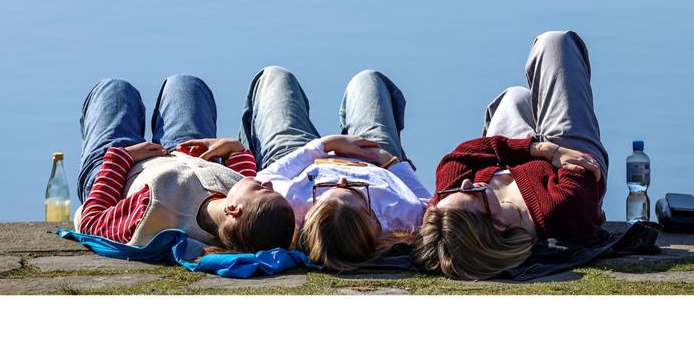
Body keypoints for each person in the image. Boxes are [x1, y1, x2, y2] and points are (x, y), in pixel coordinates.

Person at [412, 30, 609, 280]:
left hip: (532, 153)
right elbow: (581, 169)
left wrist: (539, 149)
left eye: (450, 193)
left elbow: (457, 157)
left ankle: (536, 131)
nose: (465, 183)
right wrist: (557, 148)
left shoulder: (449, 210)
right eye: (472, 194)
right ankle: (542, 122)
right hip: (573, 151)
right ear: (497, 225)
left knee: (513, 97)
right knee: (555, 44)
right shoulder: (558, 209)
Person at [239, 66, 431, 271]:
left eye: (325, 192)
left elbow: (261, 179)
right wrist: (392, 162)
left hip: (300, 158)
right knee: (368, 80)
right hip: (375, 157)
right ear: (373, 220)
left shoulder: (291, 209)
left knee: (274, 76)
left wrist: (326, 145)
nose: (342, 181)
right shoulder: (402, 218)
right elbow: (429, 203)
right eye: (355, 191)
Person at [76, 75, 294, 252]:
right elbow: (241, 178)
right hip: (183, 155)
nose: (269, 184)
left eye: (261, 189)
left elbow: (91, 222)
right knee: (187, 84)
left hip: (120, 173)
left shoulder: (154, 211)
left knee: (114, 90)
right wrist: (234, 149)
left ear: (233, 209)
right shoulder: (233, 216)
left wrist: (121, 158)